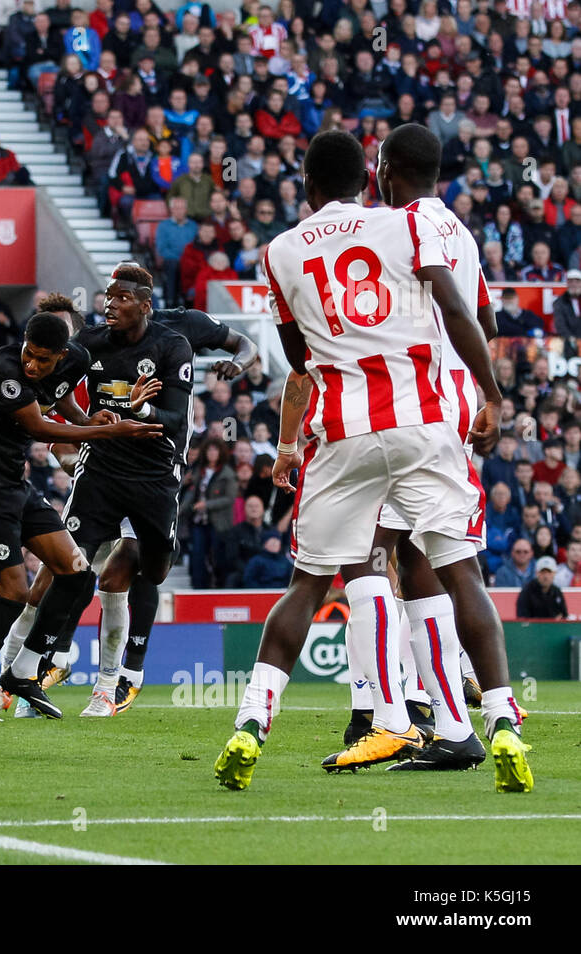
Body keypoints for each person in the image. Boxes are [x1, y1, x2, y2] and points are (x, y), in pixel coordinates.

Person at [214, 129, 531, 794]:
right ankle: (490, 718)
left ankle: (263, 721)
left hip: (343, 429)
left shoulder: (279, 251)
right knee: (452, 570)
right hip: (428, 416)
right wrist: (494, 396)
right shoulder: (413, 225)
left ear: (306, 185)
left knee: (320, 579)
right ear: (370, 177)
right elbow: (462, 309)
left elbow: (298, 358)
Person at [325, 123, 499, 771]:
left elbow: (445, 310)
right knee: (423, 555)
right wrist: (488, 393)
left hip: (412, 407)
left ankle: (388, 713)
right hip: (453, 408)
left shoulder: (400, 229)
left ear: (389, 168)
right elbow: (485, 319)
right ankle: (443, 714)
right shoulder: (462, 231)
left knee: (369, 554)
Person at [2, 288, 257, 716]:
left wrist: (240, 364)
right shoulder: (85, 351)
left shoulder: (182, 326)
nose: (110, 310)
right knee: (60, 571)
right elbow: (56, 426)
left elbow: (243, 343)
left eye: (121, 300)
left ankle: (123, 675)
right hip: (100, 469)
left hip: (157, 472)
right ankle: (28, 670)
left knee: (133, 568)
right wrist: (82, 440)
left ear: (143, 302)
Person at [0, 311, 156, 721]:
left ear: (61, 355)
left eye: (42, 359)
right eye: (29, 354)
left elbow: (60, 400)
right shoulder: (3, 369)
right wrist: (107, 432)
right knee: (14, 593)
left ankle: (23, 671)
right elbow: (40, 428)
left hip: (15, 485)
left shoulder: (73, 359)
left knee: (77, 573)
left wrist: (85, 418)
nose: (32, 365)